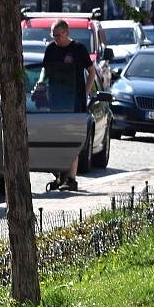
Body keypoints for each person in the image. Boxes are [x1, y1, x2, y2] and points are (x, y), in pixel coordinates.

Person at [35, 19, 96, 192]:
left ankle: (71, 178)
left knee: (71, 137)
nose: (55, 39)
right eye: (53, 35)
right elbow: (44, 70)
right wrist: (40, 83)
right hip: (55, 99)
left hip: (74, 100)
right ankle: (59, 176)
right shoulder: (51, 49)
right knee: (55, 137)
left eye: (58, 35)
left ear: (66, 33)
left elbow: (91, 71)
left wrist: (85, 91)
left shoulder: (78, 49)